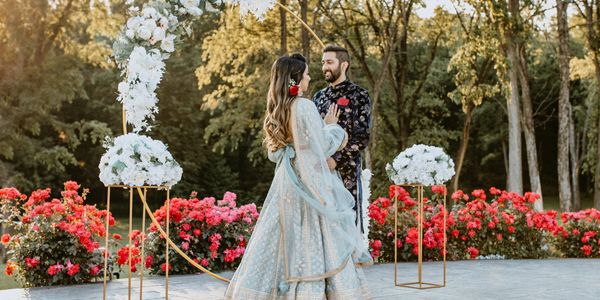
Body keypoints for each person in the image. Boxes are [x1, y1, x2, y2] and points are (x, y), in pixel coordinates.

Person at [224, 53, 372, 299]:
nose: (309, 77)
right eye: (305, 75)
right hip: (309, 180)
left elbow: (275, 154)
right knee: (314, 231)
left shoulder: (278, 107)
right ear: (295, 79)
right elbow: (322, 145)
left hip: (286, 180)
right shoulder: (304, 106)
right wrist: (331, 125)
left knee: (280, 230)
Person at [313, 44, 371, 233]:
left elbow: (362, 138)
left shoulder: (359, 95)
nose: (325, 67)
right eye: (323, 63)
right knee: (323, 224)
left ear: (344, 64)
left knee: (348, 224)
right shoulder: (318, 97)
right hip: (320, 172)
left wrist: (336, 160)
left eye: (330, 62)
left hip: (347, 172)